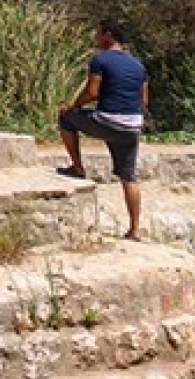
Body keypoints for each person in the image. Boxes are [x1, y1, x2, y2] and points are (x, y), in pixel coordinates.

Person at [56, 19, 147, 241]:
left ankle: (77, 167)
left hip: (107, 122)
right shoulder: (139, 66)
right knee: (129, 176)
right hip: (132, 126)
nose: (96, 38)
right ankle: (134, 229)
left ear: (108, 35)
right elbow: (144, 102)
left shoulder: (100, 59)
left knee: (66, 118)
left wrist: (75, 106)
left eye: (98, 34)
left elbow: (92, 92)